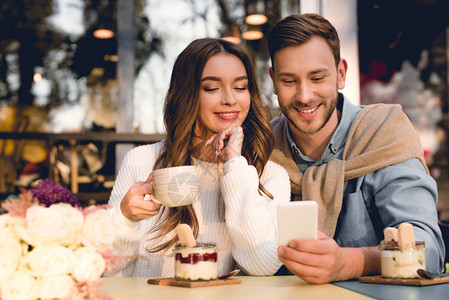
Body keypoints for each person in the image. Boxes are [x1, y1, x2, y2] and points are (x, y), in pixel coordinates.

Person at [267, 13, 445, 284]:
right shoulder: (261, 146)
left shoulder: (382, 131)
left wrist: (349, 263)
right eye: (289, 81)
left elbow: (428, 250)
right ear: (273, 81)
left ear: (340, 74)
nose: (304, 96)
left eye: (317, 78)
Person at [105, 38, 290, 277]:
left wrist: (234, 165)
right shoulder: (141, 161)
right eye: (212, 88)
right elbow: (105, 268)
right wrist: (125, 220)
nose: (230, 99)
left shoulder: (270, 176)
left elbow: (261, 265)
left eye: (240, 87)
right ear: (187, 94)